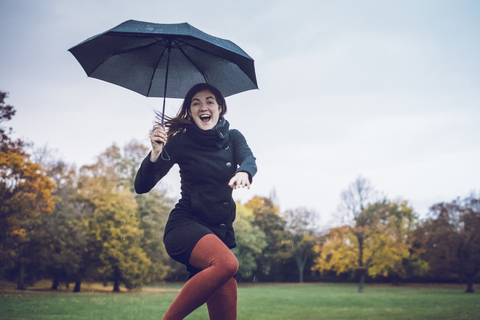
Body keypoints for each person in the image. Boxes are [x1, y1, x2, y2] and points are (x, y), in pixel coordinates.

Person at [134, 83, 257, 320]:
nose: (204, 107)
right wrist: (156, 152)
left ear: (220, 108)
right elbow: (142, 186)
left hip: (217, 234)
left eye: (210, 101)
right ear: (190, 111)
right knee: (228, 264)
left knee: (226, 293)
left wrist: (244, 172)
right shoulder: (180, 142)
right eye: (196, 103)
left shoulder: (233, 137)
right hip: (185, 226)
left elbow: (248, 158)